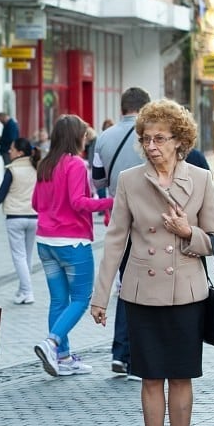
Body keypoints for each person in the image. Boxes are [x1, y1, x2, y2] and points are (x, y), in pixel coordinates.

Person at [89, 99, 214, 426]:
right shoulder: (131, 181)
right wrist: (100, 298)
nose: (152, 146)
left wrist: (188, 233)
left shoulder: (199, 179)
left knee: (181, 378)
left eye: (160, 139)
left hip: (186, 294)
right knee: (150, 379)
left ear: (180, 142)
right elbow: (115, 240)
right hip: (141, 294)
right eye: (146, 139)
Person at [32, 115, 113, 378]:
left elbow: (35, 203)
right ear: (76, 137)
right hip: (72, 242)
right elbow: (79, 202)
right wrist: (111, 201)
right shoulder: (75, 164)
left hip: (45, 241)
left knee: (58, 300)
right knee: (80, 299)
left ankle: (63, 357)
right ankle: (52, 342)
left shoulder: (46, 164)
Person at [91, 87, 151, 379]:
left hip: (120, 217)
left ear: (122, 107)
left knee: (127, 286)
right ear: (145, 108)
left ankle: (120, 353)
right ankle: (140, 354)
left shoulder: (104, 137)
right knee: (149, 289)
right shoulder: (152, 137)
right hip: (153, 220)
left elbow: (98, 179)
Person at [0, 137, 39, 305]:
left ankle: (27, 291)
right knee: (27, 256)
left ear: (20, 152)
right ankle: (23, 289)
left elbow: (0, 195)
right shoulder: (36, 168)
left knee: (19, 257)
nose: (9, 151)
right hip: (34, 217)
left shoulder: (12, 170)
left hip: (15, 218)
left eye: (12, 148)